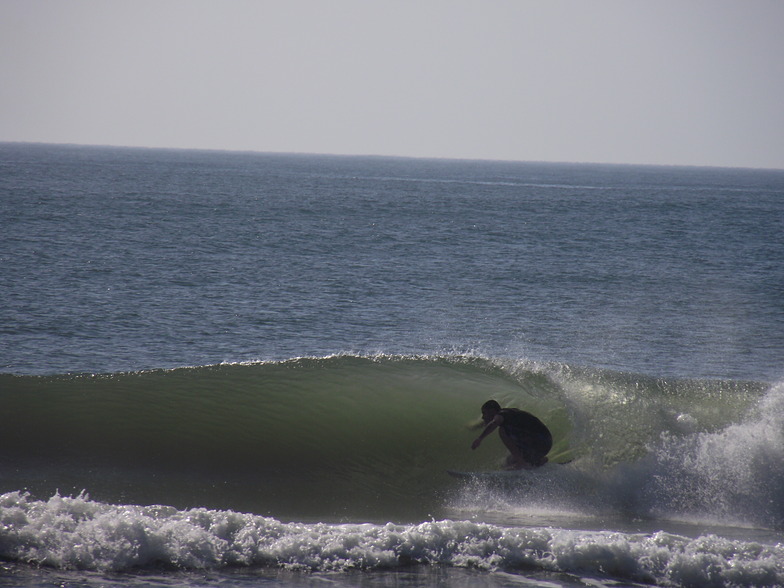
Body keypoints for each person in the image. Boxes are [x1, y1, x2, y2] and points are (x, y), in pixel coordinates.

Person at [471, 400, 552, 470]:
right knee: (510, 461)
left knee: (502, 431)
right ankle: (538, 461)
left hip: (539, 441)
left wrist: (480, 438)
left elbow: (495, 422)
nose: (483, 417)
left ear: (492, 411)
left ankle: (521, 463)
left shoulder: (500, 415)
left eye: (484, 413)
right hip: (545, 443)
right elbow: (491, 422)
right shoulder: (509, 413)